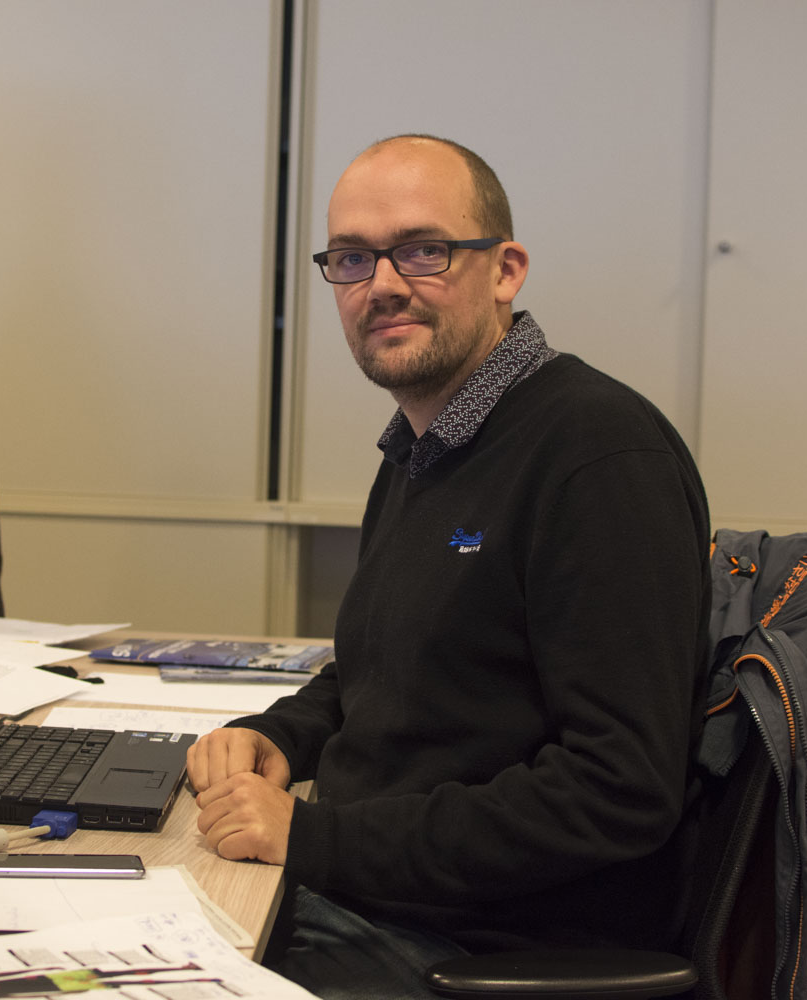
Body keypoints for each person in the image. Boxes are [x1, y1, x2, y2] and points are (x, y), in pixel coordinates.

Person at [187, 134, 712, 999]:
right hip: (374, 896)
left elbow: (619, 790)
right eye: (353, 259)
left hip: (476, 945)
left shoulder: (597, 456)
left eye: (423, 251)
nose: (382, 285)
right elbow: (384, 673)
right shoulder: (423, 448)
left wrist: (315, 840)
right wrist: (280, 737)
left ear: (506, 270)